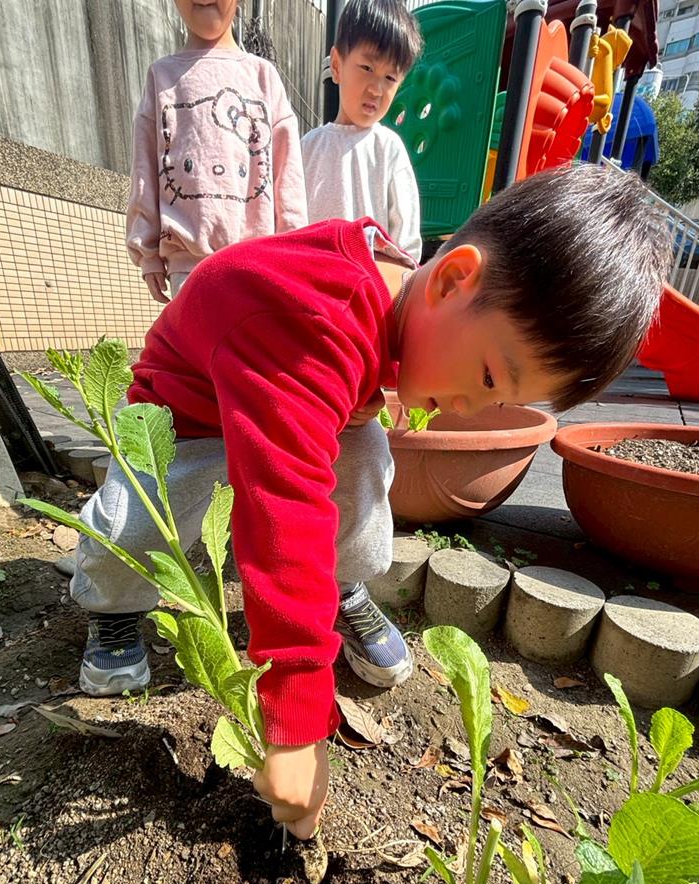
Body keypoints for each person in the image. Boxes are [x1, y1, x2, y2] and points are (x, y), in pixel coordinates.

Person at [72, 163, 670, 841]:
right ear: (451, 280)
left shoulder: (394, 291)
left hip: (279, 395)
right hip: (184, 415)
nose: (468, 407)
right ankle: (112, 606)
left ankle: (341, 583)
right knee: (140, 519)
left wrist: (381, 392)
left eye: (502, 401)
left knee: (363, 455)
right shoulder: (312, 318)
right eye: (486, 378)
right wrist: (297, 723)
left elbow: (329, 415)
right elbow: (283, 509)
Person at [126, 0, 308, 304]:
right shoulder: (161, 77)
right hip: (187, 266)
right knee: (197, 337)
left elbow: (287, 176)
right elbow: (144, 170)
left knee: (254, 337)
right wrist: (147, 252)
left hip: (259, 266)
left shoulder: (263, 77)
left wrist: (295, 251)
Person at [301, 0, 423, 261]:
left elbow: (406, 242)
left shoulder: (389, 148)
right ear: (337, 65)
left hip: (368, 280)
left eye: (390, 78)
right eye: (367, 68)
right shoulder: (308, 147)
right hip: (310, 276)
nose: (376, 89)